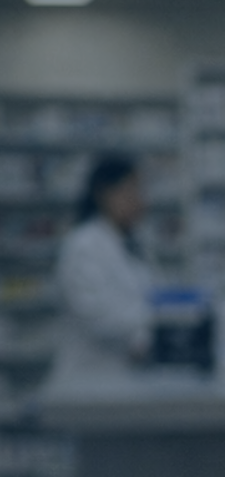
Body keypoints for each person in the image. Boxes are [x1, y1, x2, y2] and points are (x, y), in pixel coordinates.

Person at [48, 153, 152, 390]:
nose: (139, 200)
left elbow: (147, 302)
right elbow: (99, 318)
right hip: (88, 380)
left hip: (122, 380)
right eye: (130, 190)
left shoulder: (131, 245)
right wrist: (147, 333)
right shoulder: (83, 245)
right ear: (103, 193)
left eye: (140, 191)